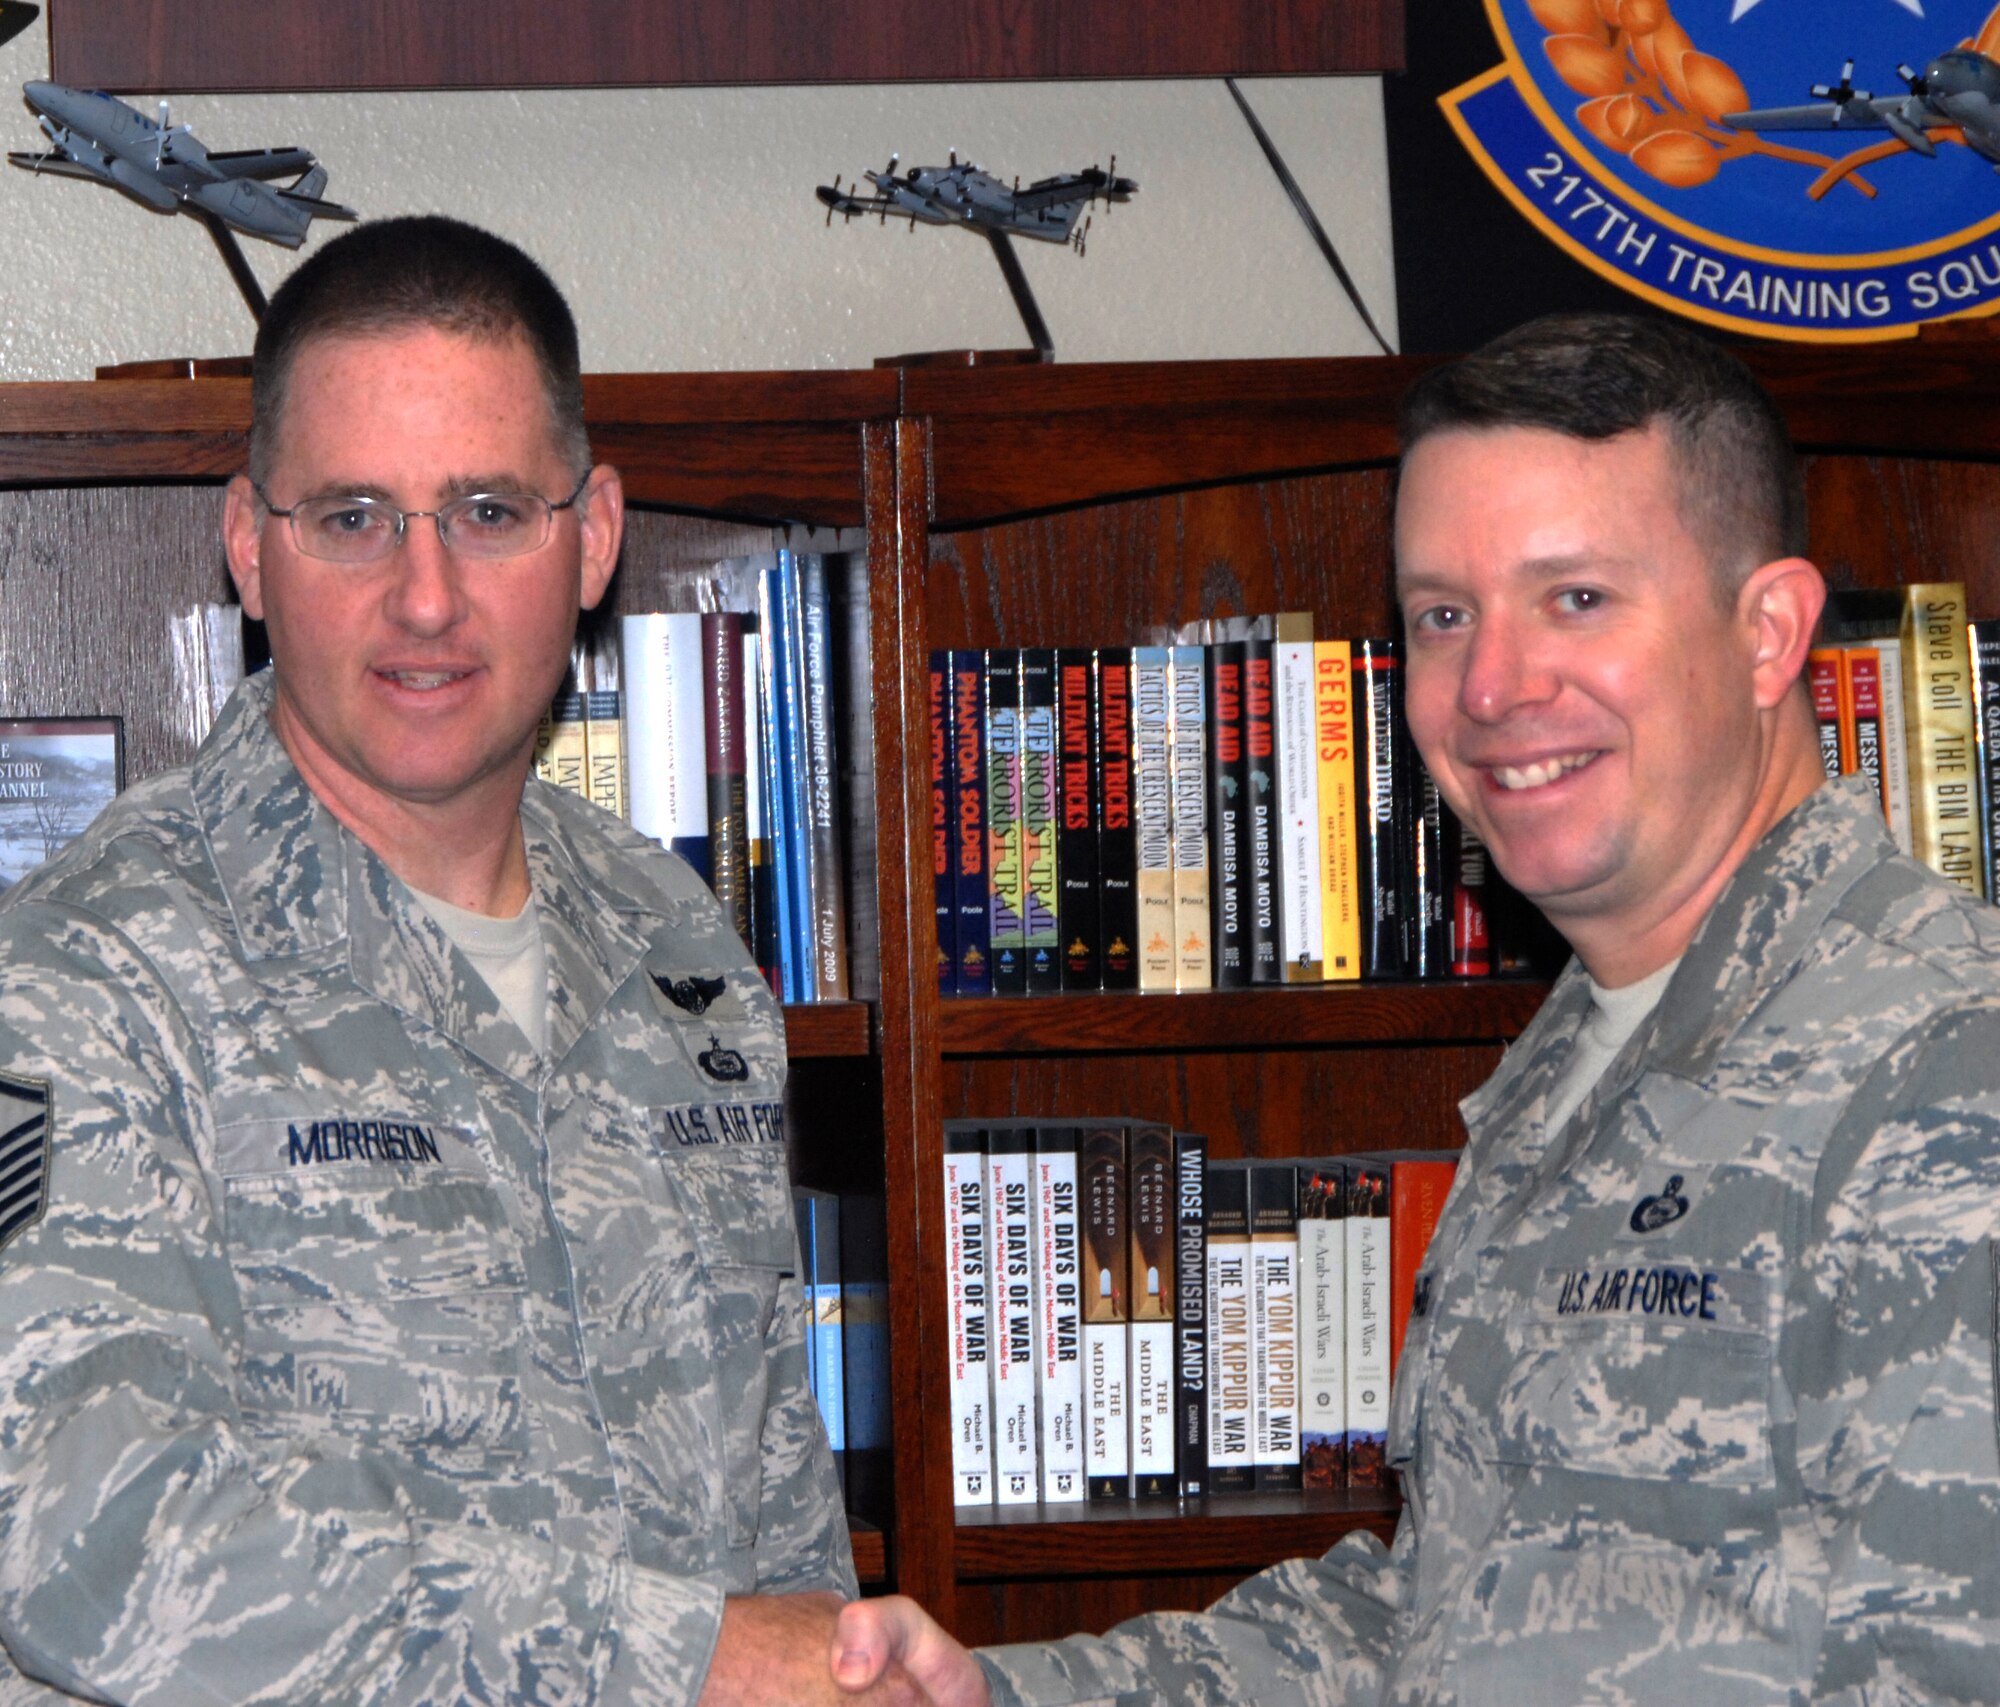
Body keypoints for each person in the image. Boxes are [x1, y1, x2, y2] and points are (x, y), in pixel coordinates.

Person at [829, 312, 2000, 1705]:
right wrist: (1000, 1698)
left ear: (1768, 632)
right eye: (1446, 615)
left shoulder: (1942, 1067)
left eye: (1576, 599)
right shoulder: (1577, 1064)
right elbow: (1446, 1613)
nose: (1496, 687)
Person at [0, 216, 915, 1705]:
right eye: (353, 518)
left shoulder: (678, 953)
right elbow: (85, 1534)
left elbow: (775, 1523)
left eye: (489, 511)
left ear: (594, 536)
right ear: (249, 544)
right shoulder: (81, 981)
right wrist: (678, 1664)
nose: (425, 596)